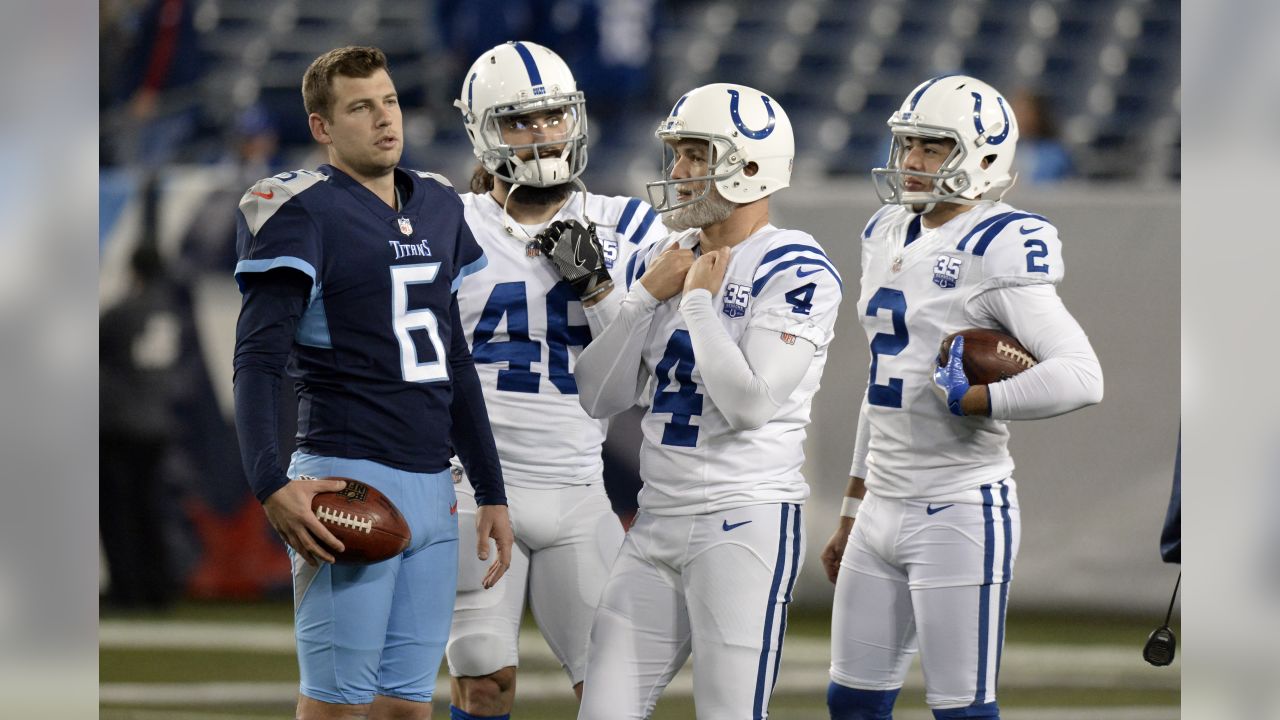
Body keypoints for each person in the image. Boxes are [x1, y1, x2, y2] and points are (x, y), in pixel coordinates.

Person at [231, 46, 514, 720]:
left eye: (388, 101)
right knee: (335, 708)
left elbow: (454, 359)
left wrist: (492, 488)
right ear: (322, 127)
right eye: (360, 107)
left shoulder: (440, 202)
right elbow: (257, 361)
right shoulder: (299, 210)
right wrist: (269, 482)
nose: (385, 119)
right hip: (349, 477)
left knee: (406, 708)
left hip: (433, 487)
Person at [822, 75, 1104, 720]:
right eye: (909, 145)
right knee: (852, 701)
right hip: (880, 506)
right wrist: (849, 509)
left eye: (932, 147)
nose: (913, 162)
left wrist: (976, 400)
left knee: (961, 709)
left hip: (959, 506)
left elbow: (1082, 375)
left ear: (981, 157)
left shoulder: (998, 241)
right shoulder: (888, 229)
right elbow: (881, 383)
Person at [572, 83, 842, 720]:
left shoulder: (794, 263)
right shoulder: (664, 256)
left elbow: (751, 403)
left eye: (696, 155)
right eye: (677, 155)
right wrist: (642, 298)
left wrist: (695, 304)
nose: (679, 172)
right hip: (657, 517)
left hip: (743, 520)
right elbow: (598, 395)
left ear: (750, 167)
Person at [443, 41, 667, 720]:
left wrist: (599, 289)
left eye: (552, 118)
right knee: (482, 679)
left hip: (578, 487)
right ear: (484, 129)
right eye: (520, 121)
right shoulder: (447, 223)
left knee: (615, 692)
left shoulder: (630, 227)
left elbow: (639, 377)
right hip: (474, 486)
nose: (542, 136)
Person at [99, 244, 182, 610]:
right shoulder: (170, 312)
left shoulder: (124, 311)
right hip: (157, 422)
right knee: (150, 508)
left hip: (121, 424)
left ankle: (127, 588)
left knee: (119, 511)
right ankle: (158, 586)